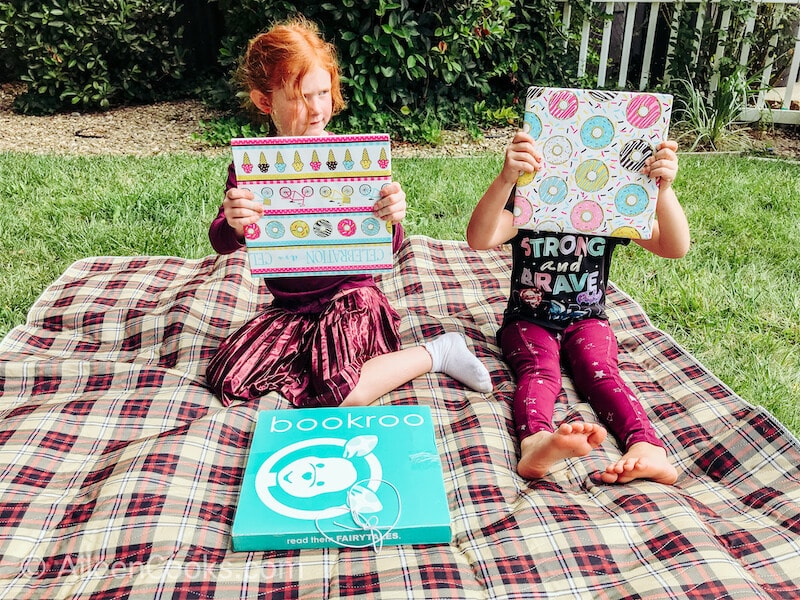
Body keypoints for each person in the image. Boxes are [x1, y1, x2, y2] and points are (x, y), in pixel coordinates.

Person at [205, 16, 492, 408]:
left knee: (340, 393)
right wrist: (235, 224)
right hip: (293, 308)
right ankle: (317, 360)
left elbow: (388, 246)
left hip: (351, 300)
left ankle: (437, 352)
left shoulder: (350, 160)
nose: (317, 109)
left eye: (323, 93)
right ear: (264, 100)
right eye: (300, 97)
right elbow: (221, 239)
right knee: (227, 376)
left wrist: (391, 216)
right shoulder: (254, 166)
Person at [466, 130, 689, 484]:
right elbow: (479, 237)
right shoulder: (532, 207)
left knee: (600, 371)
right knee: (540, 372)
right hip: (528, 321)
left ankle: (647, 447)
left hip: (589, 320)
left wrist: (662, 189)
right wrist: (507, 178)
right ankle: (536, 440)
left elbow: (674, 246)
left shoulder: (610, 209)